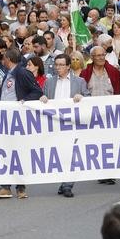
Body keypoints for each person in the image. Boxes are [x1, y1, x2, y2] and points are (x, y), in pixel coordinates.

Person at [0, 48, 43, 199]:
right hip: (5, 118)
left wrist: (24, 102)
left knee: (16, 152)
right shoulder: (10, 73)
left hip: (17, 119)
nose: (2, 60)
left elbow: (37, 91)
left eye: (4, 58)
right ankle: (7, 187)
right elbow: (3, 92)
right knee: (7, 152)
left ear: (9, 59)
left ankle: (19, 187)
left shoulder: (22, 72)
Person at [39, 54, 88, 198]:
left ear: (68, 66)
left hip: (72, 124)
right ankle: (62, 181)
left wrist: (82, 98)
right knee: (59, 154)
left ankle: (68, 185)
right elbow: (43, 97)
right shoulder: (49, 82)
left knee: (71, 154)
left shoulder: (79, 81)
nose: (58, 67)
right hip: (55, 124)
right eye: (56, 65)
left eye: (61, 65)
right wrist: (42, 98)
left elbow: (89, 98)